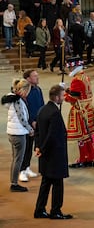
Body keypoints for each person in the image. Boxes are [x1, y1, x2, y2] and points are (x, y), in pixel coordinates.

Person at [33, 84, 72, 219]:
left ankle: (39, 209)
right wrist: (42, 149)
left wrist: (38, 148)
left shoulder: (42, 109)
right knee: (57, 184)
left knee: (45, 183)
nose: (64, 98)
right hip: (55, 155)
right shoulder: (55, 113)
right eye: (62, 96)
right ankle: (55, 211)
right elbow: (52, 135)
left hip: (45, 155)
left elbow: (37, 131)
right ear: (56, 97)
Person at [64, 57, 94, 168]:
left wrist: (64, 95)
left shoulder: (76, 79)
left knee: (81, 136)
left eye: (70, 67)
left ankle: (83, 158)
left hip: (80, 109)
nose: (69, 69)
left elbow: (73, 98)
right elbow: (79, 93)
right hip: (88, 108)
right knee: (87, 135)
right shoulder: (85, 77)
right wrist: (68, 90)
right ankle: (89, 158)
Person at [2, 79, 34, 192]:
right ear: (24, 90)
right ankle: (14, 183)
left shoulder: (12, 98)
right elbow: (22, 119)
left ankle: (13, 181)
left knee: (15, 158)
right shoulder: (18, 101)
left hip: (12, 132)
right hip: (18, 134)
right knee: (18, 159)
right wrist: (30, 129)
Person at [19, 69, 44, 183]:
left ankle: (27, 167)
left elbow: (41, 105)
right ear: (28, 79)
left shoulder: (38, 89)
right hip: (27, 125)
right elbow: (24, 109)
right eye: (34, 76)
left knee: (31, 146)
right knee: (25, 148)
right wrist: (31, 121)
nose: (37, 78)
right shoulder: (25, 91)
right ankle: (21, 171)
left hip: (37, 123)